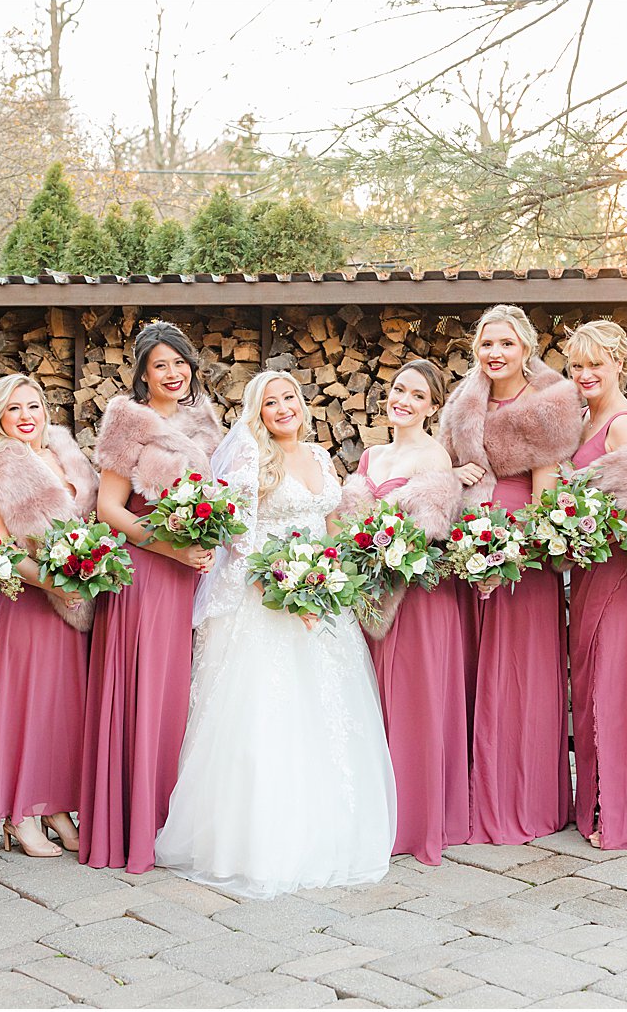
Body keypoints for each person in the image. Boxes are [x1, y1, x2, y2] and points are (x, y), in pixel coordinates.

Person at [154, 370, 396, 898]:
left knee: (328, 713)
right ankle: (260, 843)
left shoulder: (321, 456)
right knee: (268, 716)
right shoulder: (251, 460)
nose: (283, 407)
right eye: (271, 402)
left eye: (289, 397)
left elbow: (331, 526)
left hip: (322, 598)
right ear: (256, 413)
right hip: (267, 599)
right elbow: (238, 539)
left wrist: (340, 575)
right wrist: (284, 587)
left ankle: (330, 832)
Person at [80, 321, 224, 873]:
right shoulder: (127, 420)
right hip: (145, 569)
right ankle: (132, 825)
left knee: (183, 694)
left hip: (192, 570)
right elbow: (109, 509)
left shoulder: (206, 422)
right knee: (147, 691)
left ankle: (174, 824)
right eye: (160, 364)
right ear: (142, 373)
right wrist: (165, 547)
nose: (173, 373)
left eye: (180, 362)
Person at [438, 304, 583, 845]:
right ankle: (471, 797)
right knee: (476, 674)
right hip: (467, 558)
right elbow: (439, 469)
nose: (494, 353)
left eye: (506, 344)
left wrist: (506, 552)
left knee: (521, 677)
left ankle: (524, 799)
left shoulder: (549, 405)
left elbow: (547, 500)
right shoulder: (461, 406)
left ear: (526, 347)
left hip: (524, 563)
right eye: (486, 344)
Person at [338, 360, 469, 866]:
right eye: (398, 390)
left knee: (412, 701)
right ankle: (376, 808)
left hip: (415, 600)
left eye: (418, 395)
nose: (404, 401)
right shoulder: (372, 455)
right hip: (372, 594)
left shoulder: (433, 458)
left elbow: (428, 534)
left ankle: (413, 819)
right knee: (373, 701)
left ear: (433, 407)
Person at [0, 374, 98, 857]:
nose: (26, 416)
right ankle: (18, 813)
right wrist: (55, 580)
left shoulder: (66, 458)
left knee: (65, 706)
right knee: (27, 703)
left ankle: (57, 806)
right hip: (25, 597)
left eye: (34, 406)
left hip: (74, 601)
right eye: (14, 408)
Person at [563, 322, 627, 855]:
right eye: (576, 365)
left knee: (615, 687)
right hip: (588, 570)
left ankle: (621, 813)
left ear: (619, 366)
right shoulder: (584, 418)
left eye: (595, 365)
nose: (584, 375)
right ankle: (596, 801)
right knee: (590, 686)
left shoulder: (625, 425)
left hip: (620, 575)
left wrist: (591, 523)